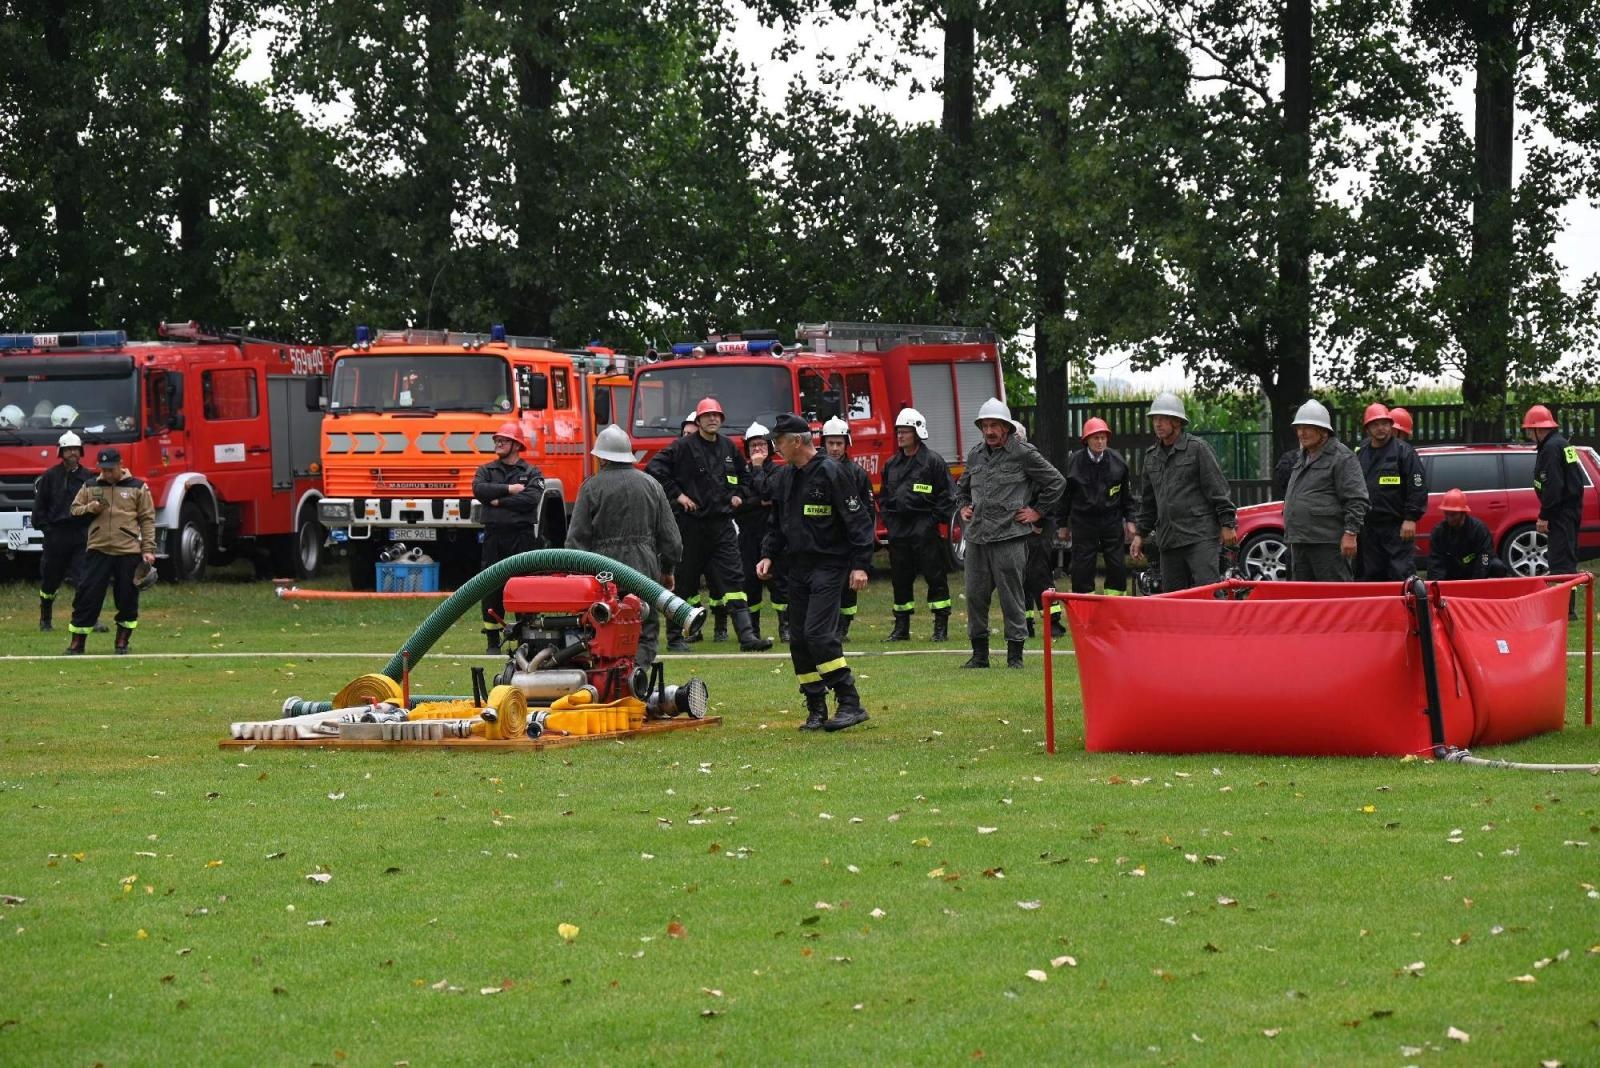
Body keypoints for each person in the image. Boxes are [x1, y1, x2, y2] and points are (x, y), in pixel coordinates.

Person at [757, 412, 875, 732]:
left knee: (818, 634)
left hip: (829, 565)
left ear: (797, 441)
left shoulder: (832, 473)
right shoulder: (785, 477)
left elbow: (859, 522)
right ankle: (815, 707)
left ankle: (850, 702)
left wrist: (861, 565)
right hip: (797, 568)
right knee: (799, 640)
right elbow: (777, 524)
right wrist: (768, 554)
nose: (775, 448)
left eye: (779, 442)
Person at [646, 397, 772, 651]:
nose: (712, 419)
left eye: (717, 415)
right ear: (699, 420)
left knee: (735, 580)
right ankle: (675, 638)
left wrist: (739, 494)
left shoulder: (727, 447)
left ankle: (746, 636)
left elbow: (745, 477)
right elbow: (654, 468)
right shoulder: (682, 447)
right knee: (684, 583)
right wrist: (678, 495)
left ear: (721, 419)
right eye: (707, 416)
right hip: (691, 526)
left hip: (722, 526)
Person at [954, 398, 1066, 669]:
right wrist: (963, 507)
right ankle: (979, 655)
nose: (989, 431)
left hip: (1010, 537)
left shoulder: (1023, 453)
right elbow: (962, 487)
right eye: (985, 426)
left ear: (1006, 427)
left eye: (995, 425)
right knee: (975, 597)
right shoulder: (975, 454)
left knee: (1012, 597)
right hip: (978, 537)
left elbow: (1056, 482)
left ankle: (1015, 656)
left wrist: (1037, 512)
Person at [566, 425, 682, 669]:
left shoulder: (591, 487)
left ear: (601, 457)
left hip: (602, 574)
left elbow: (576, 542)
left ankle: (608, 680)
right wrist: (667, 569)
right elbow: (671, 540)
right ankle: (636, 678)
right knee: (645, 628)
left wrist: (577, 581)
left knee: (603, 627)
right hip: (644, 569)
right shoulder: (652, 485)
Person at [1130, 393, 1238, 592]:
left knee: (1209, 592)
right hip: (1168, 539)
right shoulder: (1151, 457)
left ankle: (1217, 624)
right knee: (1174, 598)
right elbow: (1148, 502)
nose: (1157, 423)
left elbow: (1218, 490)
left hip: (1200, 536)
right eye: (1155, 419)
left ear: (1177, 422)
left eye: (1163, 419)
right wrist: (1140, 535)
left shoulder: (1197, 449)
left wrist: (1227, 524)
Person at [65, 448, 155, 655]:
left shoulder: (138, 487)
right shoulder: (90, 485)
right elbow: (73, 510)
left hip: (128, 551)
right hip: (98, 550)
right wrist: (91, 508)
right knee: (87, 596)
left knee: (127, 598)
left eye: (111, 470)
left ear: (121, 464)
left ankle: (122, 641)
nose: (106, 474)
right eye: (103, 470)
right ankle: (77, 643)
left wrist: (148, 549)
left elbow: (147, 519)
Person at [878, 407, 954, 642]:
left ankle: (940, 626)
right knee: (900, 579)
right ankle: (901, 628)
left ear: (917, 433)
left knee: (935, 577)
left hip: (925, 530)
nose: (900, 436)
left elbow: (948, 496)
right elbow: (885, 497)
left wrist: (931, 521)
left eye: (905, 432)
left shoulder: (933, 462)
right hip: (899, 531)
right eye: (898, 431)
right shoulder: (892, 464)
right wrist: (890, 523)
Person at [473, 421, 546, 653]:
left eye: (503, 439)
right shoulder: (486, 471)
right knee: (491, 586)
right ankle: (492, 641)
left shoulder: (531, 472)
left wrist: (498, 502)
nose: (498, 443)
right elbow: (479, 490)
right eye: (496, 440)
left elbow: (531, 500)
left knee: (524, 585)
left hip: (522, 538)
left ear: (516, 444)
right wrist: (509, 490)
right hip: (494, 538)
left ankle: (527, 637)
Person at [1281, 400, 1367, 581]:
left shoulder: (1342, 457)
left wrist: (1350, 534)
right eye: (1299, 428)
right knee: (1304, 600)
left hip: (1327, 543)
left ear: (1323, 431)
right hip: (1299, 541)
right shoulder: (1301, 457)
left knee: (1334, 597)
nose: (1301, 433)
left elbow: (1357, 499)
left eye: (1308, 428)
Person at [1063, 417, 1136, 596]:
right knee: (1082, 566)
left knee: (1117, 565)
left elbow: (1126, 496)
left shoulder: (1118, 462)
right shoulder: (1074, 463)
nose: (1100, 441)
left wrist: (1130, 520)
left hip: (1111, 520)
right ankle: (1085, 607)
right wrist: (1062, 524)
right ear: (1086, 440)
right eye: (1096, 438)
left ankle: (1116, 603)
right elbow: (1064, 497)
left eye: (1103, 437)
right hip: (1083, 522)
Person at [1354, 403, 1427, 581]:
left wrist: (1410, 518)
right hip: (1368, 530)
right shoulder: (1361, 454)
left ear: (1390, 425)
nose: (1381, 428)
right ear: (1367, 428)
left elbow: (1417, 487)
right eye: (1375, 424)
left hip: (1397, 529)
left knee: (1400, 576)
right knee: (1370, 577)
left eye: (1384, 424)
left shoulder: (1405, 452)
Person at [32, 431, 97, 632]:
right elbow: (39, 507)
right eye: (68, 449)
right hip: (56, 535)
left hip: (80, 534)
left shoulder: (88, 478)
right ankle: (45, 619)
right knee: (50, 580)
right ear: (61, 452)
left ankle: (87, 619)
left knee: (83, 578)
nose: (72, 453)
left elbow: (97, 506)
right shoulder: (50, 476)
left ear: (81, 452)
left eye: (75, 449)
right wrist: (46, 530)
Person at [1524, 403, 1584, 618]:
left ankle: (1566, 610)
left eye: (1530, 431)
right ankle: (1567, 607)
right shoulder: (1561, 444)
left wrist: (1544, 515)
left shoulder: (1550, 449)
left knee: (1560, 560)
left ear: (1539, 429)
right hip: (1569, 510)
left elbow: (1554, 486)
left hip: (1560, 512)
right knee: (1566, 557)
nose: (1529, 435)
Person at [820, 416, 875, 640]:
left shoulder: (857, 474)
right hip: (823, 540)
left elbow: (867, 512)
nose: (834, 448)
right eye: (830, 443)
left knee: (848, 588)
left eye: (838, 443)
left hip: (849, 540)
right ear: (824, 443)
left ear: (846, 444)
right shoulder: (815, 471)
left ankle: (843, 628)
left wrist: (864, 542)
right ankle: (827, 626)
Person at [737, 421, 789, 642]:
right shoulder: (741, 472)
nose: (757, 449)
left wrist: (758, 471)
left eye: (761, 445)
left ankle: (786, 627)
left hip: (772, 535)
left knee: (779, 582)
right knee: (749, 583)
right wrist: (757, 501)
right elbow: (738, 502)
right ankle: (753, 629)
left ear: (769, 447)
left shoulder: (779, 470)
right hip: (747, 536)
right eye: (753, 446)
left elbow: (769, 495)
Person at [1427, 489, 1504, 580]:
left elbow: (1485, 556)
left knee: (1497, 566)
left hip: (1475, 569)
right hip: (1452, 570)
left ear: (1463, 512)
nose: (1450, 518)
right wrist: (1440, 585)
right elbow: (1435, 561)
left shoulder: (1479, 529)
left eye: (1454, 514)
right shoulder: (1438, 532)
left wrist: (1476, 582)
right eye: (1447, 514)